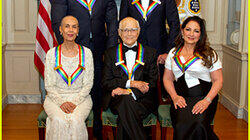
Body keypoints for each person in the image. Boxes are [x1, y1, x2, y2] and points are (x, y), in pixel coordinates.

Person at [51, 0, 118, 138]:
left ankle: (97, 128)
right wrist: (69, 47)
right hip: (74, 49)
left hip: (99, 49)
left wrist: (110, 51)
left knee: (97, 88)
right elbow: (58, 22)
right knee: (76, 86)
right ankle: (74, 128)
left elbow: (112, 24)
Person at [163, 16, 223, 140]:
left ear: (201, 34)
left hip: (204, 97)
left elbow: (218, 81)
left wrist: (207, 100)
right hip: (181, 98)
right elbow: (167, 79)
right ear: (182, 31)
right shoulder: (173, 53)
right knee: (181, 124)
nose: (191, 34)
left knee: (199, 123)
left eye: (196, 31)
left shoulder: (209, 53)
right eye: (188, 29)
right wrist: (174, 97)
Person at [102, 17, 158, 140]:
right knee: (125, 102)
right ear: (119, 32)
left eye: (132, 30)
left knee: (125, 108)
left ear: (138, 31)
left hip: (142, 99)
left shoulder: (150, 53)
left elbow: (152, 82)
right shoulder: (110, 53)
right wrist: (130, 84)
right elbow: (106, 82)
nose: (129, 34)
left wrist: (127, 92)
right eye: (125, 30)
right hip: (116, 99)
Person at [44, 16, 93, 140]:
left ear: (78, 30)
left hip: (81, 99)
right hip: (55, 99)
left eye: (74, 26)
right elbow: (49, 85)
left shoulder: (87, 53)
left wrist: (74, 102)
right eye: (67, 26)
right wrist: (62, 102)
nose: (70, 30)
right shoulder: (51, 54)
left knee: (76, 120)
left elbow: (88, 84)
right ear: (60, 29)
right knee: (59, 120)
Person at [119, 0, 181, 100]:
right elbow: (123, 24)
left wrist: (168, 52)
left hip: (159, 51)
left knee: (157, 92)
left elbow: (175, 25)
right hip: (134, 49)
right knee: (135, 89)